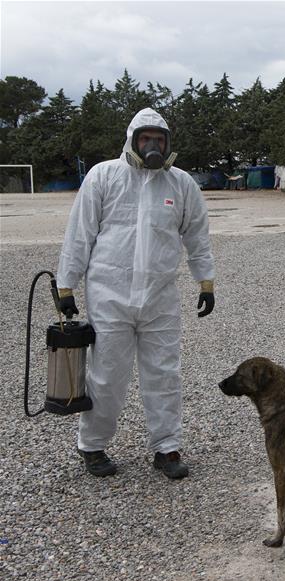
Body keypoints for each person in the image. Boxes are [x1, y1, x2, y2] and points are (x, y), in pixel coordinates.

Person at [56, 108, 215, 480]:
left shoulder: (180, 184)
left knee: (164, 374)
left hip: (160, 297)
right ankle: (92, 445)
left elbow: (197, 236)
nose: (153, 145)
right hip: (109, 295)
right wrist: (66, 285)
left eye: (159, 139)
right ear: (133, 140)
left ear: (167, 143)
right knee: (106, 375)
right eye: (146, 138)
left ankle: (167, 448)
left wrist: (205, 281)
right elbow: (79, 234)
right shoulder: (104, 176)